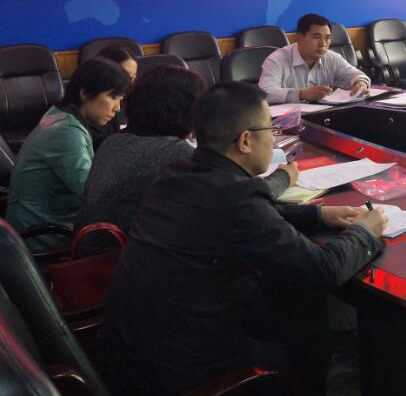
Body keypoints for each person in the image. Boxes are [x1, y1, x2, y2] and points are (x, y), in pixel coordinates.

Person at [98, 81, 387, 396]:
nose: (274, 138)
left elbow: (232, 215)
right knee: (305, 325)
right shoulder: (237, 197)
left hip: (130, 362)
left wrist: (318, 215)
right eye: (271, 130)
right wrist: (366, 232)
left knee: (287, 303)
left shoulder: (176, 174)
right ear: (246, 140)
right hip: (185, 381)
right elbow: (323, 269)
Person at [74, 66, 299, 255]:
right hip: (116, 260)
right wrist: (284, 177)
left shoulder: (114, 140)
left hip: (87, 254)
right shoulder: (175, 154)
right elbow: (238, 200)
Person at [5, 58, 131, 249]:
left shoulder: (60, 115)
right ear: (85, 93)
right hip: (43, 235)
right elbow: (93, 194)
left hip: (45, 222)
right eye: (113, 98)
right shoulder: (66, 132)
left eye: (120, 100)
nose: (117, 108)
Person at [259, 13, 370, 104]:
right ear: (299, 37)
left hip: (322, 114)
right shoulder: (276, 60)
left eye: (327, 38)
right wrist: (301, 94)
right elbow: (265, 92)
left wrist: (360, 83)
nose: (323, 44)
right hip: (286, 119)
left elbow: (356, 75)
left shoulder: (332, 57)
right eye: (317, 37)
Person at [89, 44, 138, 150]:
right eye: (125, 76)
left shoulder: (133, 100)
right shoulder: (94, 109)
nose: (129, 83)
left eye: (133, 77)